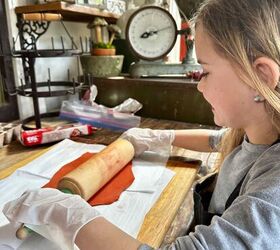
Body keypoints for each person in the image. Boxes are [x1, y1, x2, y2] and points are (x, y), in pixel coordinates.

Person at [3, 0, 280, 249]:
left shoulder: (273, 191)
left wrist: (72, 219)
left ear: (262, 75)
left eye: (205, 71)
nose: (199, 86)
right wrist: (156, 136)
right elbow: (218, 139)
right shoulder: (256, 134)